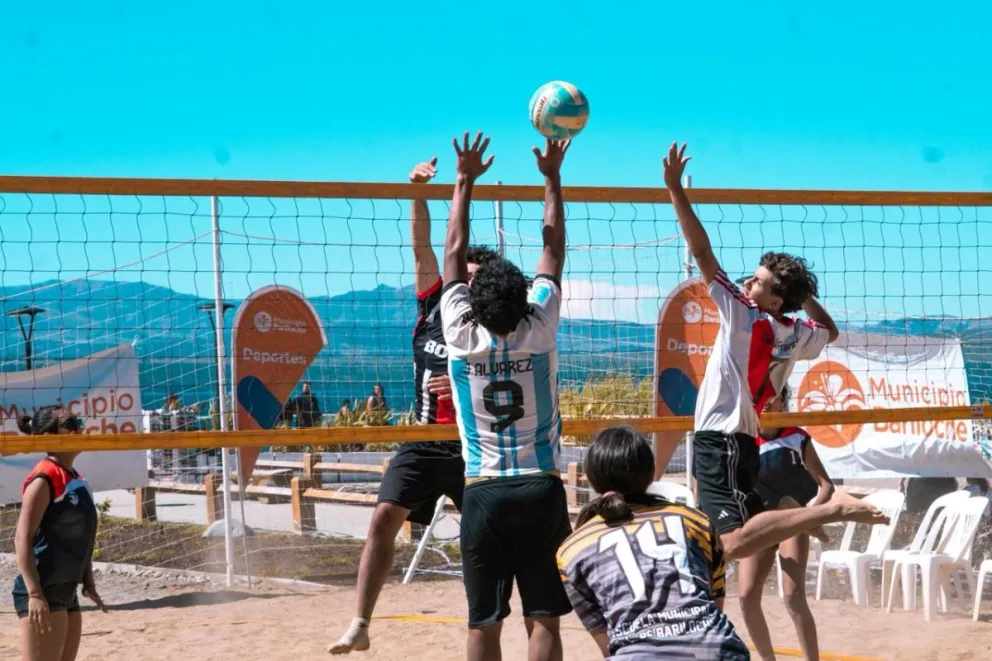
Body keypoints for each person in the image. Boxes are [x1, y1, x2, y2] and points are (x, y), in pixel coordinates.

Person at [662, 142, 889, 562]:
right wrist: (798, 298)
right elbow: (831, 331)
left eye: (759, 281)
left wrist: (675, 189)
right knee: (729, 543)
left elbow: (701, 253)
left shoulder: (743, 314)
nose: (749, 281)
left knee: (727, 546)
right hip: (742, 440)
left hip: (721, 439)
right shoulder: (794, 329)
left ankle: (826, 510)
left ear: (769, 300)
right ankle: (799, 519)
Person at [329, 156, 500, 655]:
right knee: (383, 516)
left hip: (475, 444)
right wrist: (417, 190)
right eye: (459, 273)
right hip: (426, 439)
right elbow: (424, 245)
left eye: (471, 277)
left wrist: (469, 383)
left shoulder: (492, 328)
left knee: (481, 542)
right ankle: (360, 622)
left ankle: (483, 625)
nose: (460, 281)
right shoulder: (432, 304)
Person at [439, 132, 572, 661]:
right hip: (540, 487)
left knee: (483, 624)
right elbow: (553, 247)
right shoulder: (539, 325)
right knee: (544, 621)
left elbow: (452, 250)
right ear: (522, 297)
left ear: (472, 300)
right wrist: (551, 176)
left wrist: (464, 178)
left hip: (484, 491)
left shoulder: (458, 331)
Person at [558, 425, 750, 660]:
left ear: (591, 478)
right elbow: (713, 608)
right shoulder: (697, 521)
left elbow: (607, 644)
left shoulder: (571, 550)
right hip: (721, 651)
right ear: (651, 473)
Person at [738, 385, 834, 661]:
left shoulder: (796, 436)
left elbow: (826, 486)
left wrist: (809, 516)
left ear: (783, 400)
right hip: (759, 521)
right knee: (745, 597)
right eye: (761, 397)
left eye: (773, 397)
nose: (767, 402)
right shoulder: (744, 439)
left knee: (793, 597)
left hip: (792, 520)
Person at [12, 406, 106, 661]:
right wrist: (34, 594)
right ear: (48, 436)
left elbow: (82, 537)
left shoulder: (76, 478)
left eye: (79, 421)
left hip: (66, 589)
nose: (80, 428)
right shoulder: (44, 479)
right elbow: (21, 538)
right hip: (43, 589)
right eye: (71, 423)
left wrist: (88, 581)